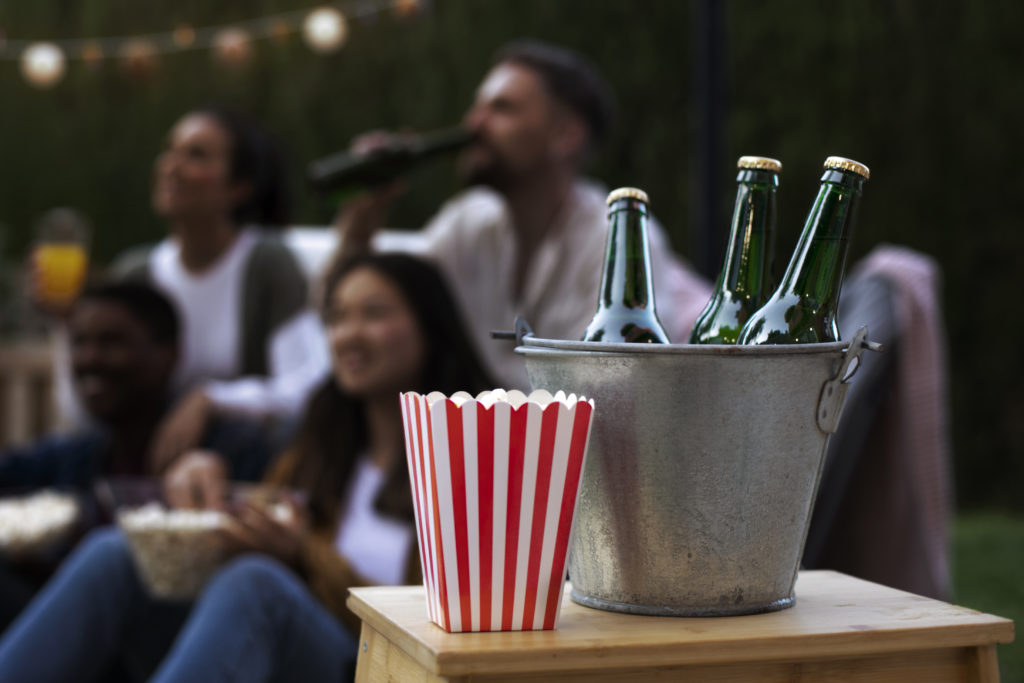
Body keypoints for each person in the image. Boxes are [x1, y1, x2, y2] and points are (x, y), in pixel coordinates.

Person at [0, 253, 495, 681]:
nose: (348, 334)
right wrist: (211, 508)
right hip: (268, 654)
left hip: (382, 669)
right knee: (116, 550)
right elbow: (269, 528)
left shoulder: (474, 456)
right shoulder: (319, 446)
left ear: (431, 326)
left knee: (256, 584)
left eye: (374, 313)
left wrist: (304, 559)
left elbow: (451, 627)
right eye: (338, 316)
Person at [332, 39, 711, 389]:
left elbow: (617, 392)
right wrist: (361, 222)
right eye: (478, 107)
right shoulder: (469, 224)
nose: (474, 124)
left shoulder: (612, 239)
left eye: (501, 108)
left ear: (565, 135)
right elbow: (372, 311)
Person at [0, 282, 272, 628]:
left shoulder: (229, 447)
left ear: (170, 354)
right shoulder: (81, 453)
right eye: (79, 343)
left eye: (111, 342)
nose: (89, 358)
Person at [109, 106, 330, 471]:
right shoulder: (137, 272)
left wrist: (212, 399)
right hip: (147, 462)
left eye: (196, 155)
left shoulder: (265, 265)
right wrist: (63, 323)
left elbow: (308, 386)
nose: (171, 167)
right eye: (170, 151)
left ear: (238, 188)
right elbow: (90, 411)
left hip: (240, 465)